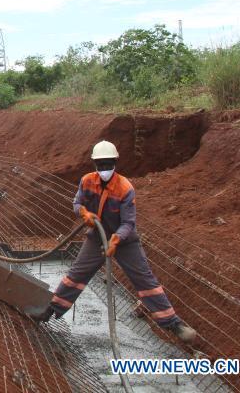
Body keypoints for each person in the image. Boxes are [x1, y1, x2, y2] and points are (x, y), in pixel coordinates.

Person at [30, 140, 198, 344]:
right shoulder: (87, 181)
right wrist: (83, 213)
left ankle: (173, 324)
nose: (104, 169)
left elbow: (128, 222)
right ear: (94, 165)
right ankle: (50, 311)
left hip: (125, 241)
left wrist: (116, 240)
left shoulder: (125, 188)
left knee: (144, 280)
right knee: (77, 274)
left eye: (108, 165)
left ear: (115, 163)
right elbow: (77, 203)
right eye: (100, 165)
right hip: (96, 237)